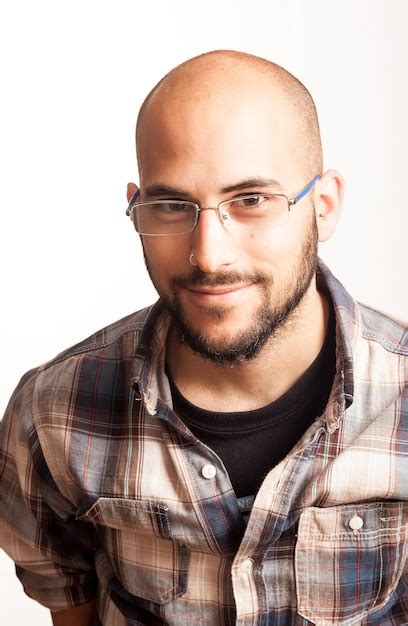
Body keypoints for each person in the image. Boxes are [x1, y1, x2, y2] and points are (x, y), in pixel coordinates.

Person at [0, 49, 407, 626]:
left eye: (250, 201)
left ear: (324, 207)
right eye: (171, 205)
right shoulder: (51, 413)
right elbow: (67, 601)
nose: (208, 256)